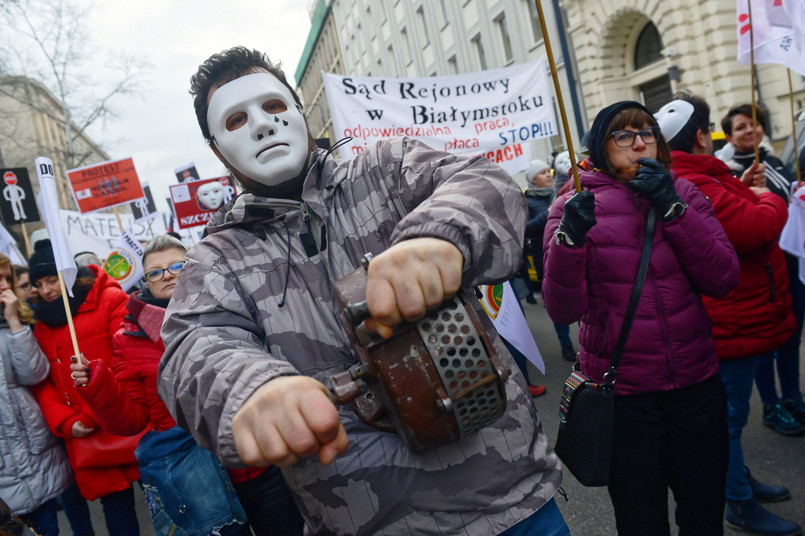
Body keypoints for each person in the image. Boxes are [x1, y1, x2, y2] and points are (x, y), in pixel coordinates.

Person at [158, 46, 566, 536]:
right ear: (217, 149)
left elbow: (480, 179)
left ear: (298, 111)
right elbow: (195, 347)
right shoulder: (216, 259)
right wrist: (251, 387)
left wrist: (440, 235)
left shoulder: (388, 169)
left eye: (272, 106)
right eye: (236, 119)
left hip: (510, 501)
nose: (262, 127)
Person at [542, 100, 740, 535]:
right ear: (601, 145)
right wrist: (569, 239)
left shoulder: (683, 193)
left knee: (704, 511)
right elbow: (562, 309)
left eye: (647, 132)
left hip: (696, 385)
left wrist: (672, 208)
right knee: (641, 520)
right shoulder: (573, 205)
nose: (638, 143)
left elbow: (723, 276)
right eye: (623, 135)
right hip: (626, 397)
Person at [69, 234, 303, 535]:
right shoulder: (128, 339)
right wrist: (98, 384)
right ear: (147, 283)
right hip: (199, 480)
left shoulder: (232, 306)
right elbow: (132, 419)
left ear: (193, 265)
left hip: (259, 461)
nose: (166, 274)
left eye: (176, 265)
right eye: (155, 272)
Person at [656, 95, 802, 536]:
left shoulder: (695, 175)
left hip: (735, 314)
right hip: (730, 319)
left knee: (732, 415)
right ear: (702, 136)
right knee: (731, 420)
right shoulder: (694, 179)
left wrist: (742, 184)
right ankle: (738, 502)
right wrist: (767, 199)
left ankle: (742, 483)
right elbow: (751, 229)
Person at [28, 239, 140, 536]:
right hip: (89, 439)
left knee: (168, 501)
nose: (46, 290)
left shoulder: (111, 298)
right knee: (118, 513)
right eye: (38, 284)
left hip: (130, 420)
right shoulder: (41, 324)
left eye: (52, 279)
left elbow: (127, 358)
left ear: (70, 274)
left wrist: (91, 414)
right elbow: (43, 382)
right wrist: (66, 422)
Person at [719, 103, 805, 435]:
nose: (750, 130)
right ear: (728, 135)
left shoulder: (778, 162)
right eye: (741, 127)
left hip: (792, 261)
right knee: (765, 342)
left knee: (791, 334)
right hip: (763, 270)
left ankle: (793, 396)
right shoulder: (727, 172)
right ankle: (771, 405)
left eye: (755, 124)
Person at [0, 252, 71, 536]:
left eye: (8, 279)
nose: (5, 285)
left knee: (47, 528)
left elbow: (35, 373)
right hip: (5, 464)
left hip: (34, 454)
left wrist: (15, 324)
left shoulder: (14, 323)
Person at [523, 158, 576, 362]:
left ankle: (584, 341)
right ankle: (566, 345)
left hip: (569, 251)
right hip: (544, 257)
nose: (548, 175)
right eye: (542, 172)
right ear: (532, 179)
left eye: (548, 171)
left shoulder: (559, 193)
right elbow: (526, 229)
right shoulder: (527, 201)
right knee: (558, 304)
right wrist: (549, 212)